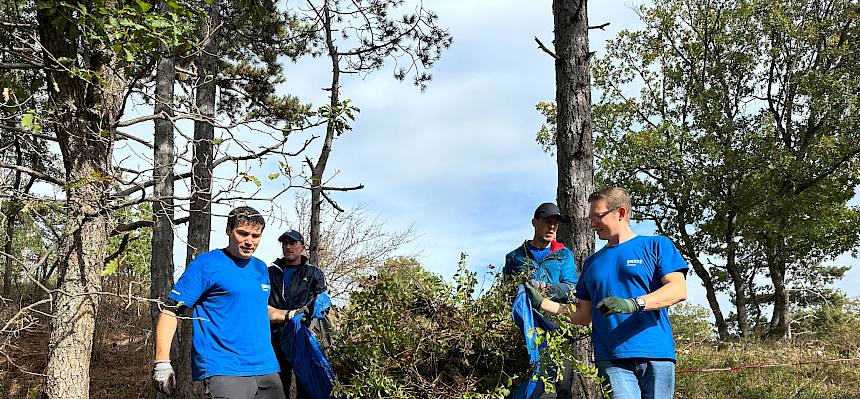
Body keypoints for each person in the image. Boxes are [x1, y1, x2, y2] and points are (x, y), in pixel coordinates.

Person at [526, 187, 688, 399]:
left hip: (655, 353)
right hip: (611, 357)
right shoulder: (592, 262)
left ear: (620, 213)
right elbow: (583, 315)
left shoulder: (656, 245)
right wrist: (542, 303)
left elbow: (678, 289)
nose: (592, 223)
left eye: (597, 216)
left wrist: (633, 304)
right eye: (590, 217)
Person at [152, 206, 284, 399]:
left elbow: (257, 308)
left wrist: (289, 314)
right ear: (229, 230)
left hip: (266, 368)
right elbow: (172, 309)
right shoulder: (207, 264)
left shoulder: (260, 268)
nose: (249, 241)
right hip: (225, 369)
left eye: (256, 236)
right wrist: (162, 362)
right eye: (243, 233)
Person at [503, 202, 578, 398]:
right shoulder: (515, 257)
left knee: (562, 386)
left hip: (558, 329)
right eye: (547, 222)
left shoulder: (563, 255)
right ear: (535, 223)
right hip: (524, 332)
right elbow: (505, 293)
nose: (552, 227)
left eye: (555, 223)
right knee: (525, 381)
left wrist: (545, 289)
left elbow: (571, 288)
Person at [266, 229, 328, 398]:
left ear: (302, 246)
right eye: (284, 243)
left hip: (301, 336)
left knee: (307, 384)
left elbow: (323, 304)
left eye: (292, 243)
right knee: (277, 386)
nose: (288, 247)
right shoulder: (269, 273)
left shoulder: (314, 273)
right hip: (274, 337)